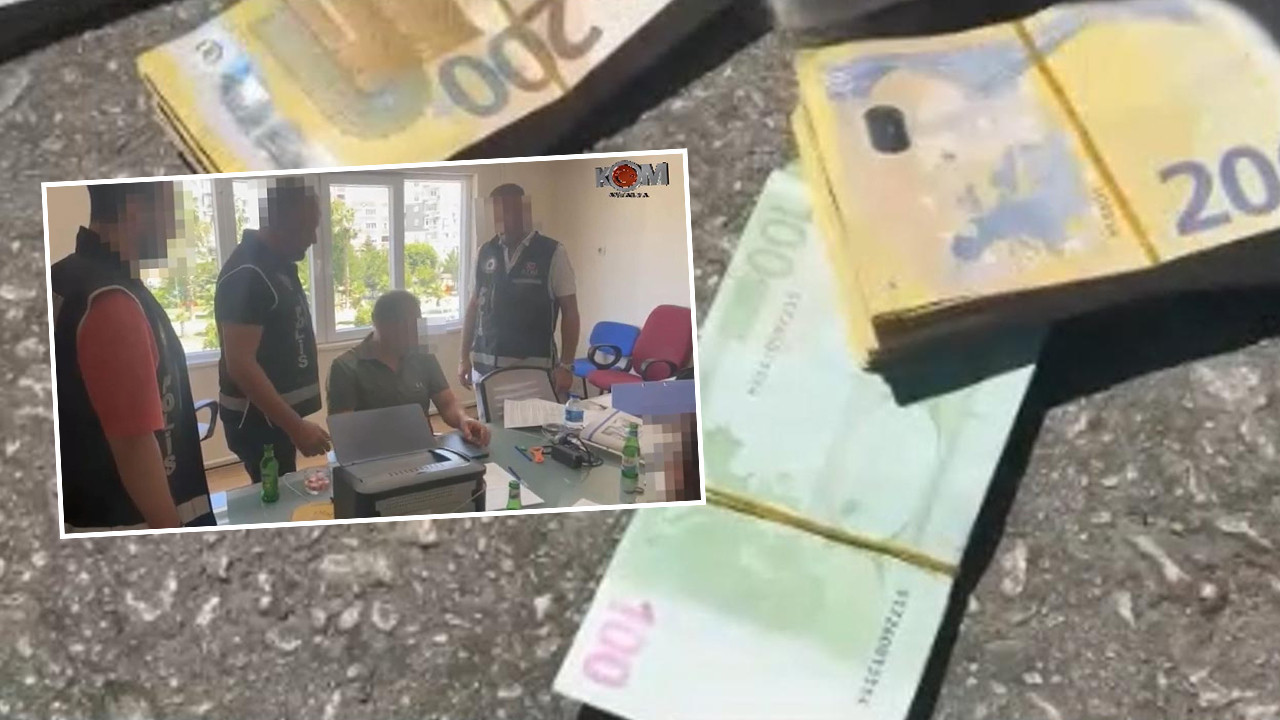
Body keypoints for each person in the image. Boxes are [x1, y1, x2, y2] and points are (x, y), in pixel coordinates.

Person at [51, 182, 215, 531]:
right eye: (172, 211)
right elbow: (134, 445)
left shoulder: (62, 277)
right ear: (136, 210)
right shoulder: (112, 301)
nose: (175, 229)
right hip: (126, 521)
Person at [214, 179, 330, 485]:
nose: (313, 239)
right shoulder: (249, 273)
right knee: (275, 496)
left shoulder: (274, 265)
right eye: (307, 228)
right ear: (283, 222)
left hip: (271, 420)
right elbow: (241, 364)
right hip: (257, 422)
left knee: (284, 488)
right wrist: (296, 427)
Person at [458, 183, 581, 404]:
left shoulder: (552, 252)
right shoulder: (485, 252)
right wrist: (463, 357)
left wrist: (566, 366)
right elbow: (474, 306)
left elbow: (570, 311)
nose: (504, 219)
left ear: (524, 212)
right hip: (486, 367)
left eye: (509, 211)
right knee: (490, 424)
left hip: (533, 370)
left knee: (535, 424)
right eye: (497, 212)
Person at [327, 290, 490, 446]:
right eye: (398, 325)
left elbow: (447, 403)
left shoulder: (423, 356)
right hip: (373, 455)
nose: (407, 333)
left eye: (413, 325)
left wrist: (463, 419)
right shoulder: (345, 367)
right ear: (376, 322)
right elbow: (343, 432)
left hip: (422, 449)